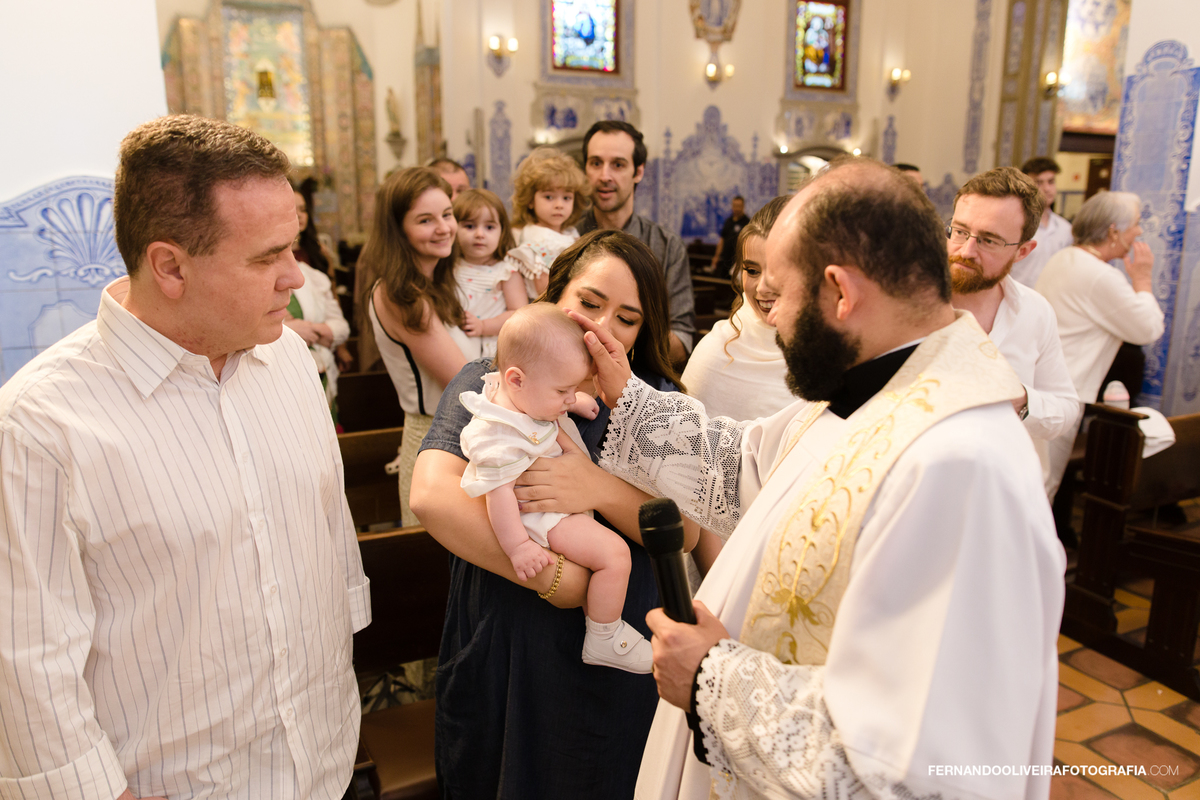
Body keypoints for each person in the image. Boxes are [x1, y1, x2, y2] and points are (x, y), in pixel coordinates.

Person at [581, 159, 1063, 798]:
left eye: (780, 296)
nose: (771, 320)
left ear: (840, 291)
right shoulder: (880, 383)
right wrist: (628, 394)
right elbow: (753, 469)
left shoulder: (962, 468)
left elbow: (921, 768)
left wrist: (711, 679)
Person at [0, 115, 370, 800]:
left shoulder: (286, 359)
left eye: (293, 247)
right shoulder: (40, 422)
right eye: (266, 258)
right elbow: (26, 659)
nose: (296, 276)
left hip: (319, 761)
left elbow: (323, 532)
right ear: (169, 265)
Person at [409, 229, 697, 798]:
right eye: (589, 303)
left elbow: (683, 532)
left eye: (627, 318)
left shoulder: (656, 404)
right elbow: (432, 496)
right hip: (506, 630)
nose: (601, 327)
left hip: (610, 652)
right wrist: (561, 581)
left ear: (643, 332)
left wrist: (595, 487)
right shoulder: (494, 379)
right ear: (552, 292)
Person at [459, 303, 653, 673]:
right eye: (563, 389)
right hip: (543, 518)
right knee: (615, 555)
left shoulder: (519, 391)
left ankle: (599, 623)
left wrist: (572, 400)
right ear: (516, 379)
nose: (569, 397)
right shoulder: (497, 438)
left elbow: (543, 398)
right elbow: (497, 499)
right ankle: (604, 636)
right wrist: (518, 547)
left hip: (561, 503)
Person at [681, 196, 793, 585]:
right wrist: (722, 582)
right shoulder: (718, 352)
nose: (762, 287)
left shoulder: (835, 350)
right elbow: (691, 468)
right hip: (726, 548)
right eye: (751, 269)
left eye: (778, 270)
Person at [948, 167, 1080, 491]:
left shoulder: (1034, 312)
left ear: (1023, 251)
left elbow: (1065, 407)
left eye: (989, 240)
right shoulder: (904, 299)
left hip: (1001, 491)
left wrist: (1019, 399)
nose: (966, 250)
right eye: (960, 231)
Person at [360, 166, 470, 526]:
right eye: (425, 220)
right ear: (398, 231)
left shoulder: (434, 283)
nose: (444, 228)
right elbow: (463, 378)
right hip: (436, 440)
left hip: (458, 436)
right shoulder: (401, 294)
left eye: (447, 215)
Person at [1037, 190, 1165, 498]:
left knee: (1037, 482)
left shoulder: (1065, 257)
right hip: (1062, 392)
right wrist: (1143, 281)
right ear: (1113, 231)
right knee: (1043, 486)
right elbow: (1147, 329)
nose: (1139, 231)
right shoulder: (1098, 276)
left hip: (1044, 387)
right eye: (1135, 223)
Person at [576, 120, 696, 363]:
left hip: (638, 379)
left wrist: (618, 345)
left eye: (618, 164)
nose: (604, 176)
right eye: (596, 163)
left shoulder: (667, 246)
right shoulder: (566, 238)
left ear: (638, 172)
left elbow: (682, 339)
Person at [288, 185, 352, 410]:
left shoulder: (317, 253)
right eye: (292, 209)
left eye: (303, 209)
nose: (299, 215)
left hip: (322, 340)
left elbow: (331, 298)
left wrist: (339, 345)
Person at [506, 146, 590, 299]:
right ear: (530, 200)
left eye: (566, 198)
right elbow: (545, 291)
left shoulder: (569, 233)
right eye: (549, 197)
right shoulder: (537, 239)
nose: (559, 205)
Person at [452, 187, 526, 360]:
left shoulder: (506, 271)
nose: (479, 234)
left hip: (491, 351)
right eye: (469, 226)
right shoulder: (451, 267)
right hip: (454, 347)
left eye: (489, 227)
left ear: (502, 232)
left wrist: (484, 326)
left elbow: (519, 313)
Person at [1013, 156, 1074, 288]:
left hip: (1051, 302)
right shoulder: (1015, 225)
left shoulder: (1066, 229)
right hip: (1017, 301)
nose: (1046, 189)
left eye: (1051, 182)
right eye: (1039, 183)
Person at [707, 195, 749, 277]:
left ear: (743, 207)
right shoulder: (728, 221)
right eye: (734, 206)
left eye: (739, 206)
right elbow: (722, 239)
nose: (736, 208)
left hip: (738, 262)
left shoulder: (747, 223)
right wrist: (716, 256)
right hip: (725, 259)